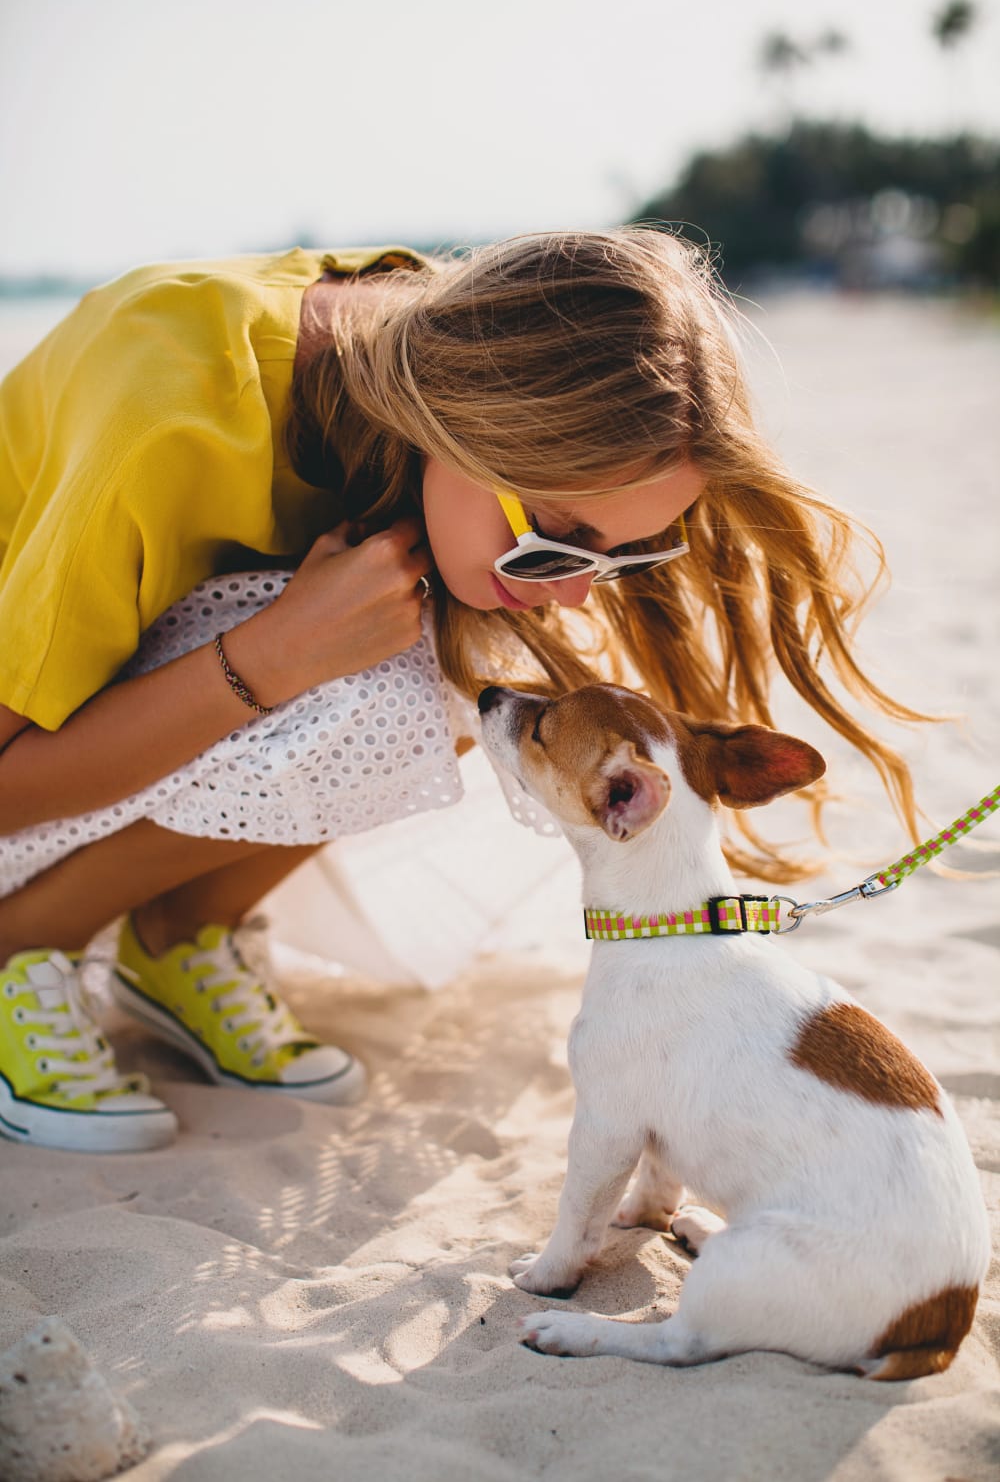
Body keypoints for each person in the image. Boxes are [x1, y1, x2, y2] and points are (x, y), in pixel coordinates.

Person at [0, 229, 925, 1153]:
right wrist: (275, 656)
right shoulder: (170, 412)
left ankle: (174, 941)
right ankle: (21, 942)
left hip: (110, 721)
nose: (568, 586)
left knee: (452, 666)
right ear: (463, 420)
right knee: (396, 678)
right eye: (557, 536)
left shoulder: (447, 348)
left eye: (622, 553)